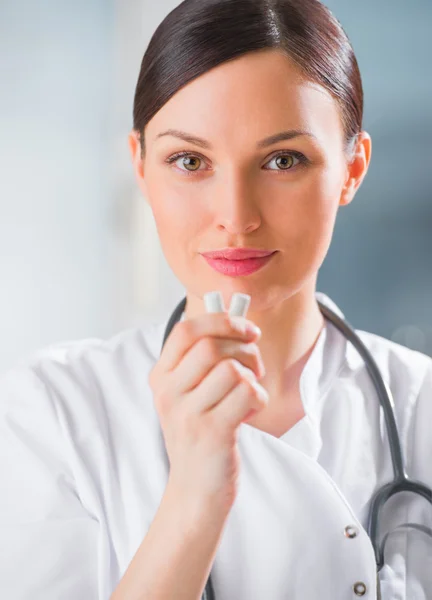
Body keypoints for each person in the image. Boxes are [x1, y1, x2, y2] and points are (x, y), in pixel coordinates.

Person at [0, 0, 431, 598]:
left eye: (283, 160)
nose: (236, 217)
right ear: (141, 166)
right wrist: (194, 498)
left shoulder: (423, 408)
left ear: (352, 169)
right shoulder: (52, 414)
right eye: (190, 161)